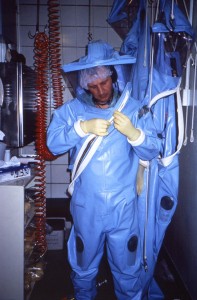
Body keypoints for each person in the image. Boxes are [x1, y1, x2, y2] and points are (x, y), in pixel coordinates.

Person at [47, 40, 161, 300]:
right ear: (84, 84)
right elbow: (51, 144)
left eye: (104, 83)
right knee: (83, 269)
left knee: (128, 270)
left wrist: (135, 134)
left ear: (115, 76)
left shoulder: (134, 108)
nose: (99, 91)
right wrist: (81, 129)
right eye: (93, 86)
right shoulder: (73, 111)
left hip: (124, 207)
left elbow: (153, 150)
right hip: (87, 207)